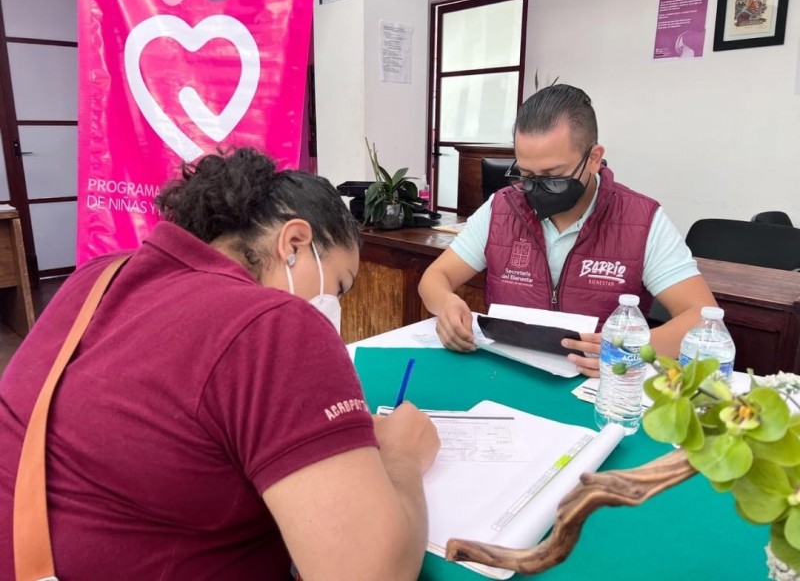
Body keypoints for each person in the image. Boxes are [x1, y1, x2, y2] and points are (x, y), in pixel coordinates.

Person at [0, 147, 440, 580]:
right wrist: (402, 456)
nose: (334, 309)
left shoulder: (99, 275)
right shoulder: (276, 326)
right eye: (339, 287)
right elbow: (369, 572)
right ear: (294, 242)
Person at [418, 84, 717, 378]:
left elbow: (702, 318)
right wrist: (447, 304)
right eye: (525, 175)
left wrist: (632, 349)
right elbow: (434, 278)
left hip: (599, 383)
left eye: (553, 176)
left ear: (594, 158)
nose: (535, 188)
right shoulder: (502, 209)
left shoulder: (640, 219)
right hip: (510, 373)